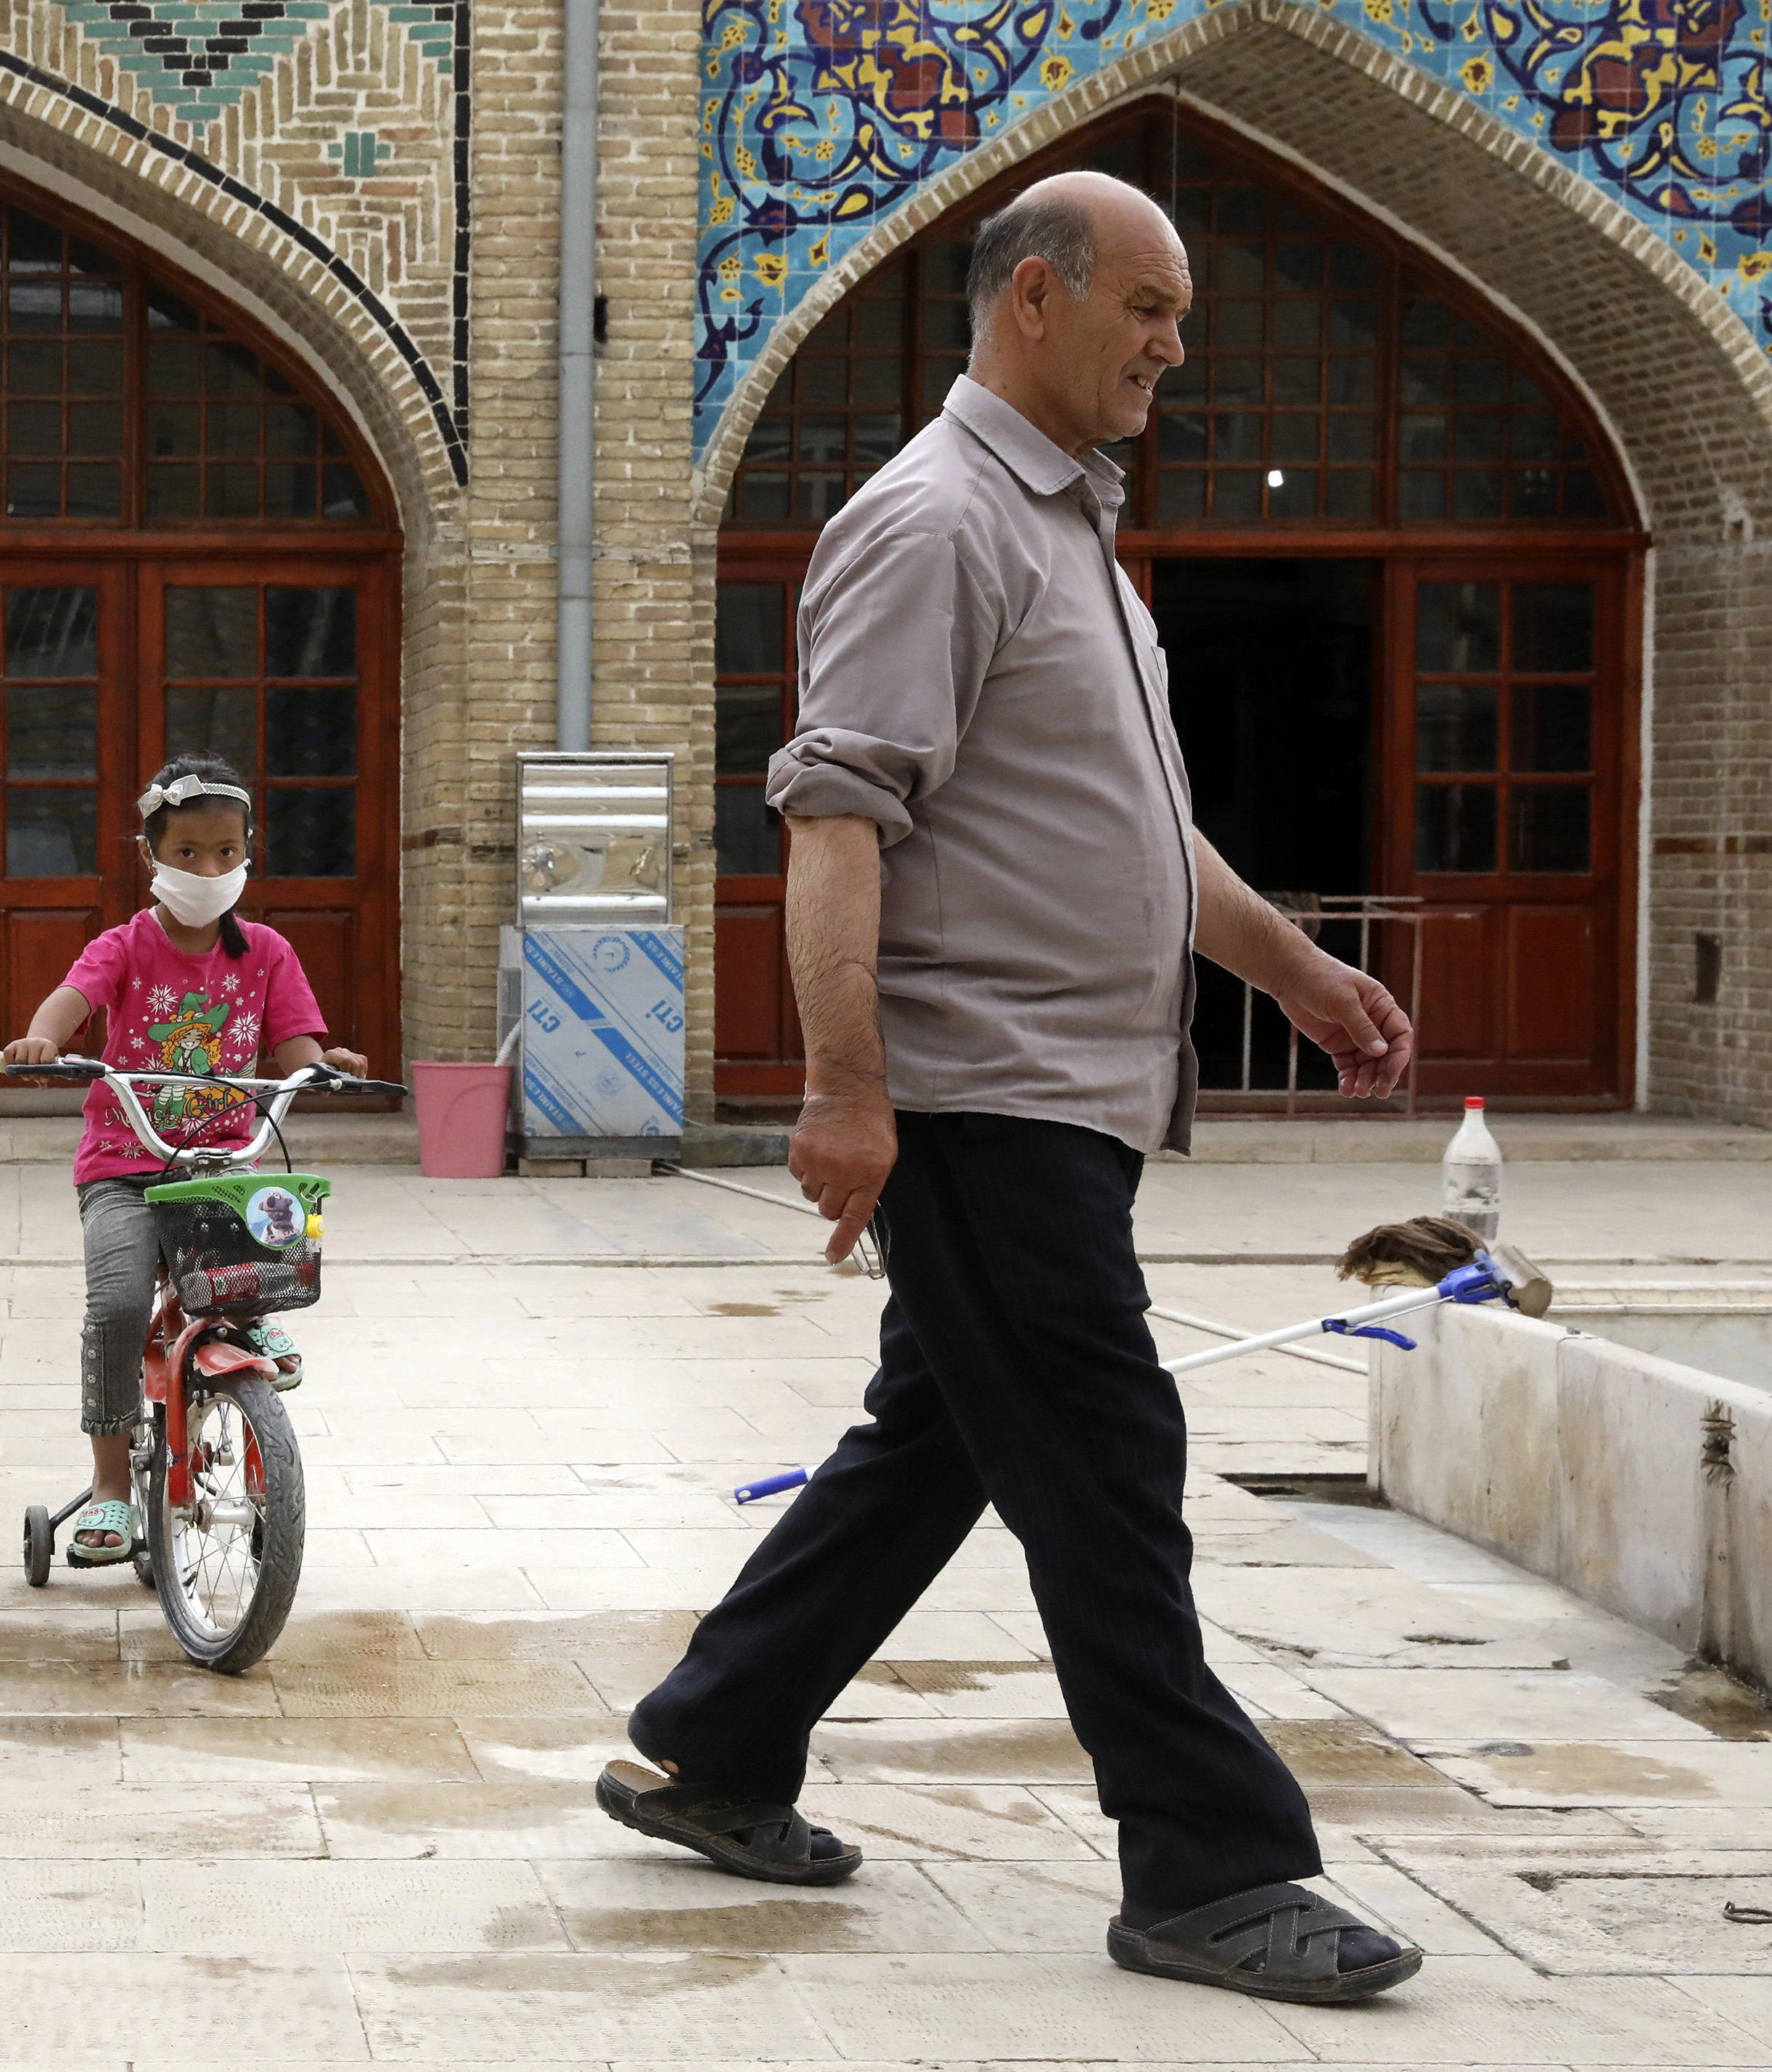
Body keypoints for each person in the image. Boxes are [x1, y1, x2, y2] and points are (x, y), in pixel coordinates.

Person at [597, 170, 1428, 2005]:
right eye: (1146, 306)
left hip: (1058, 1100)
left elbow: (1133, 831)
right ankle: (1208, 1868)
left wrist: (1291, 969)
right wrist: (843, 1093)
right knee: (1107, 1457)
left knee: (945, 1442)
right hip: (981, 1102)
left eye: (1180, 313)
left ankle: (712, 1745)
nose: (1172, 345)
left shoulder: (1069, 542)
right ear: (1033, 298)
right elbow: (832, 816)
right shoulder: (934, 523)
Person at [0, 753, 367, 1564]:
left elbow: (294, 1041)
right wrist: (43, 1037)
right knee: (122, 1303)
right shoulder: (126, 944)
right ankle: (110, 1490)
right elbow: (74, 999)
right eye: (189, 852)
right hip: (126, 1163)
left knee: (266, 1248)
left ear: (248, 852)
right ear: (152, 856)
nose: (209, 868)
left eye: (227, 851)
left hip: (219, 1160)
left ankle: (249, 1326)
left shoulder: (265, 951)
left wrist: (325, 1060)